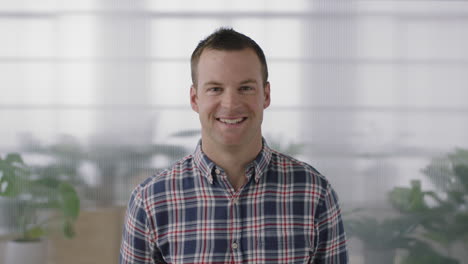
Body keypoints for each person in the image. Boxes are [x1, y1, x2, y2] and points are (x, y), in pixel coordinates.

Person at [119, 28, 348, 264]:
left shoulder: (315, 194)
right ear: (195, 99)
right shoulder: (150, 202)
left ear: (266, 95)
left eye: (245, 88)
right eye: (215, 89)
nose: (230, 104)